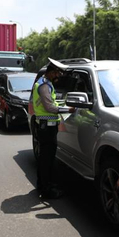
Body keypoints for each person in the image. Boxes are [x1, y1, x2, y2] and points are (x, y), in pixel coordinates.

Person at [32, 58, 75, 198]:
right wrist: (68, 110)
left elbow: (53, 101)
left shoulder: (47, 84)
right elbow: (49, 107)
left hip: (47, 127)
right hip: (46, 128)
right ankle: (45, 189)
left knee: (46, 158)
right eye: (58, 73)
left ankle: (44, 184)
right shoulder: (44, 86)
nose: (59, 76)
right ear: (51, 72)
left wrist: (62, 103)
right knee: (46, 159)